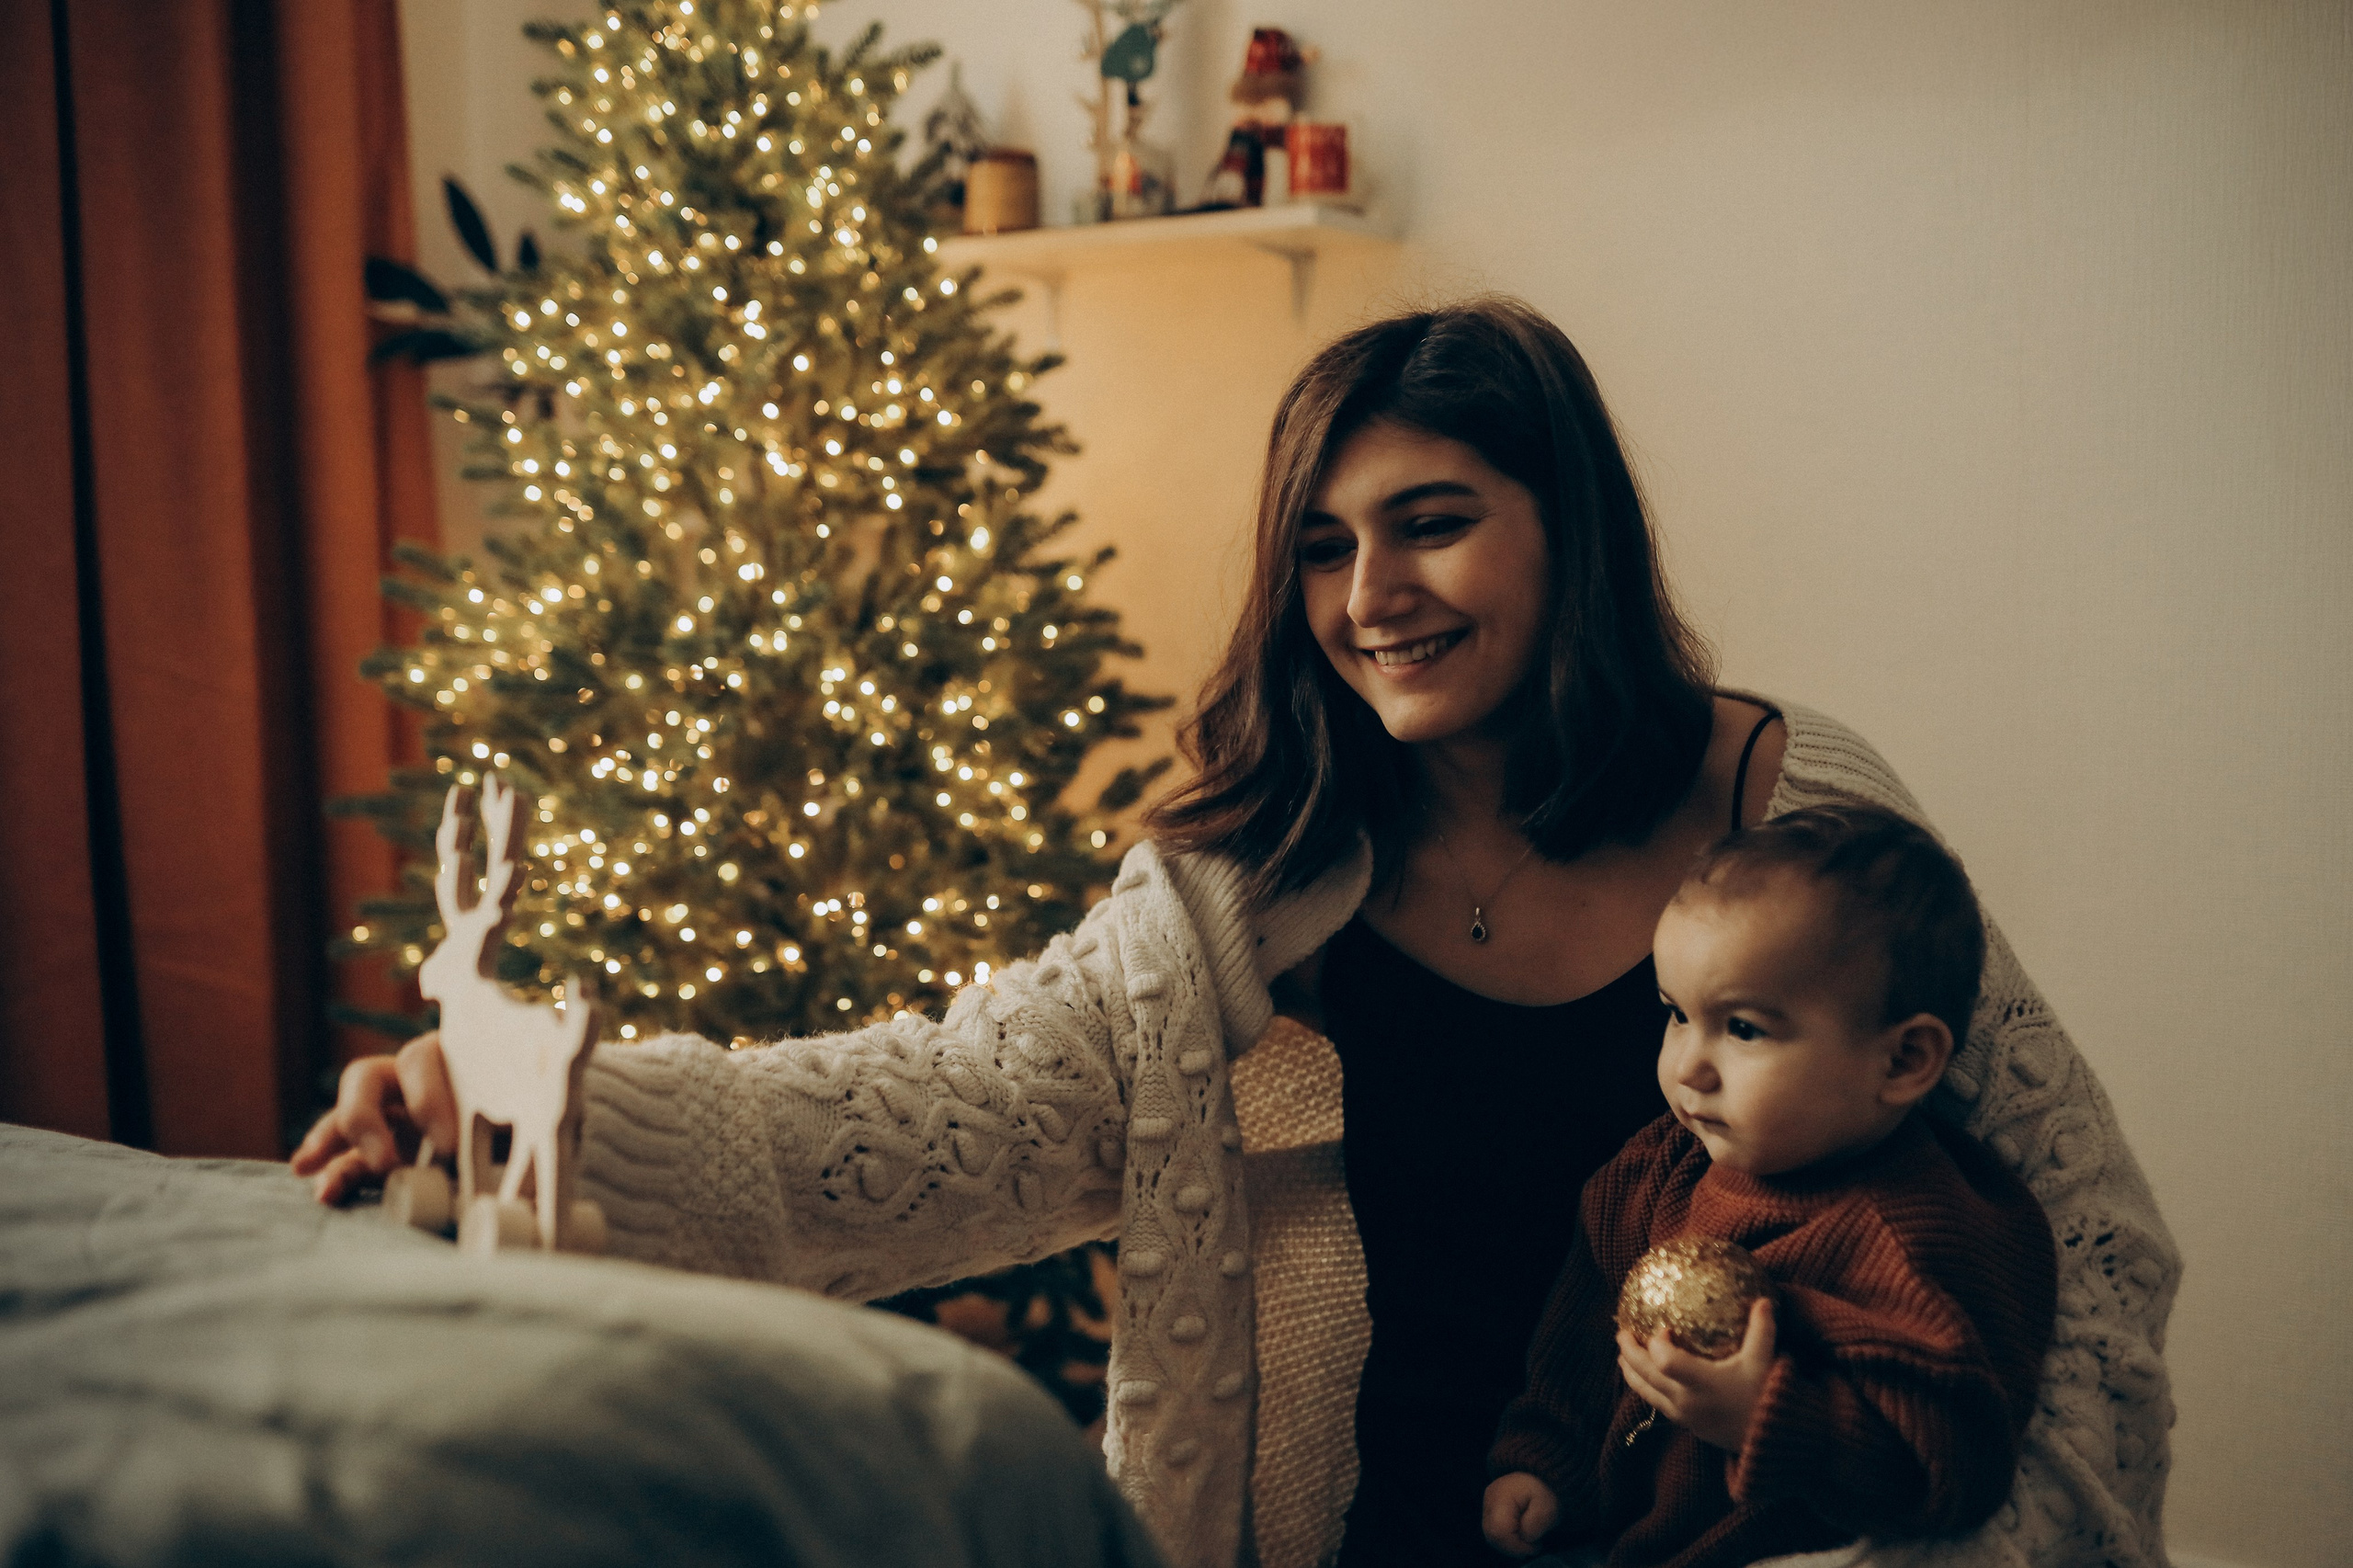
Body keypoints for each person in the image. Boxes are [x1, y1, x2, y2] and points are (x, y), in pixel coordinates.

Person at [294, 298, 2177, 1568]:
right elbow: (928, 1127)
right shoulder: (1240, 882)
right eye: (1320, 545)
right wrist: (523, 1089)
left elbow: (2082, 1246)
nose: (1368, 598)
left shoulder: (1795, 813)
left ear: (1567, 534)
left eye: (1430, 523)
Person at [1483, 804, 2056, 1567]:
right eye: (1677, 1015)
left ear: (1903, 1061)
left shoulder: (1912, 1239)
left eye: (1743, 1029)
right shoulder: (1667, 1163)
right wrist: (1546, 1456)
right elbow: (1591, 1319)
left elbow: (1955, 1469)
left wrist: (1763, 1418)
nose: (1689, 1065)